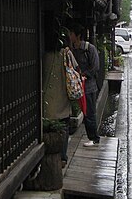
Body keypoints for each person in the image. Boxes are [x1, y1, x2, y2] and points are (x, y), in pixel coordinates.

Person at [42, 24, 72, 167]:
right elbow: (75, 70)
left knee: (48, 127)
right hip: (62, 95)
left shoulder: (43, 54)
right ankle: (62, 157)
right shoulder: (66, 54)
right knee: (63, 127)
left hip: (46, 96)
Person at [69, 23, 101, 147]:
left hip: (89, 86)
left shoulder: (89, 48)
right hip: (79, 86)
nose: (70, 36)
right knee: (86, 111)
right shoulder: (73, 50)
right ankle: (92, 137)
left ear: (77, 35)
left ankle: (94, 138)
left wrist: (84, 75)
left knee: (90, 112)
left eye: (71, 34)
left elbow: (95, 67)